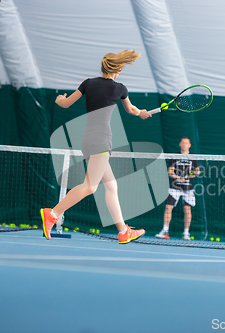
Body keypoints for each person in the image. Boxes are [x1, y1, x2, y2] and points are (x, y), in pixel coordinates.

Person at [41, 50, 151, 244]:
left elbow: (65, 104)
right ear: (116, 69)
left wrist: (59, 100)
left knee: (111, 186)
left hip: (87, 141)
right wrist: (141, 112)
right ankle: (53, 213)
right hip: (102, 141)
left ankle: (123, 230)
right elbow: (131, 109)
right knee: (90, 186)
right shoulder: (120, 88)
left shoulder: (88, 83)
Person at [156, 136, 200, 240]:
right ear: (180, 144)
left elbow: (197, 171)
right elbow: (170, 171)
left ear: (189, 145)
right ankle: (165, 230)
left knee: (187, 209)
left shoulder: (193, 157)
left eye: (187, 143)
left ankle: (186, 233)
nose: (185, 145)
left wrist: (192, 173)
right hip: (175, 187)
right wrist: (177, 177)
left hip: (188, 189)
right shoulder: (175, 156)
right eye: (183, 143)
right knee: (168, 207)